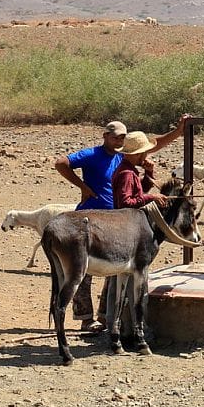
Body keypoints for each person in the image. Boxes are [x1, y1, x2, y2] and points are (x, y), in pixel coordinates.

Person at [53, 120, 127, 332]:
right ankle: (86, 319)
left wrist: (177, 132)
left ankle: (106, 316)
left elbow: (152, 145)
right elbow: (61, 163)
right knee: (82, 270)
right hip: (89, 219)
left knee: (113, 267)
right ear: (105, 136)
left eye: (122, 137)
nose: (119, 141)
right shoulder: (92, 155)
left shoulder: (122, 157)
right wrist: (83, 187)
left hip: (115, 221)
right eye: (115, 137)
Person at [112, 115, 191, 210]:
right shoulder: (127, 173)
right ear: (139, 154)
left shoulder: (128, 169)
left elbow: (142, 190)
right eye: (145, 152)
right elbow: (125, 203)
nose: (146, 155)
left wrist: (148, 172)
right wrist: (152, 197)